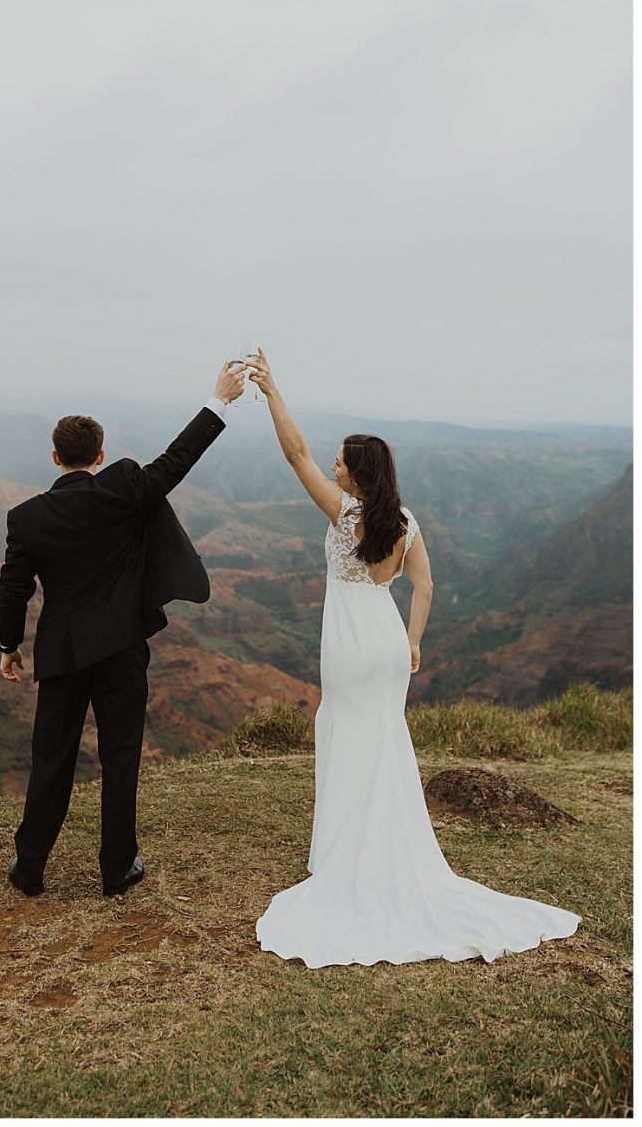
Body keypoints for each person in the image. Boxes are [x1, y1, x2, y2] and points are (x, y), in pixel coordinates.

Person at [246, 348, 579, 966]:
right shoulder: (404, 521)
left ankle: (343, 855)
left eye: (340, 461)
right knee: (384, 740)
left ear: (355, 473)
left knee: (345, 734)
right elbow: (424, 586)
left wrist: (272, 391)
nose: (331, 465)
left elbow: (293, 453)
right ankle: (380, 846)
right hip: (387, 641)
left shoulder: (344, 514)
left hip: (348, 644)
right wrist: (414, 642)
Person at [0, 361, 246, 897]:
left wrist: (9, 646)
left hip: (63, 653)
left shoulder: (27, 517)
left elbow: (13, 586)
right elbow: (177, 461)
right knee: (121, 758)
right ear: (100, 455)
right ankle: (117, 869)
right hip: (122, 650)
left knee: (51, 760)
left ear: (56, 456)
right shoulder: (126, 486)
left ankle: (30, 866)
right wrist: (219, 400)